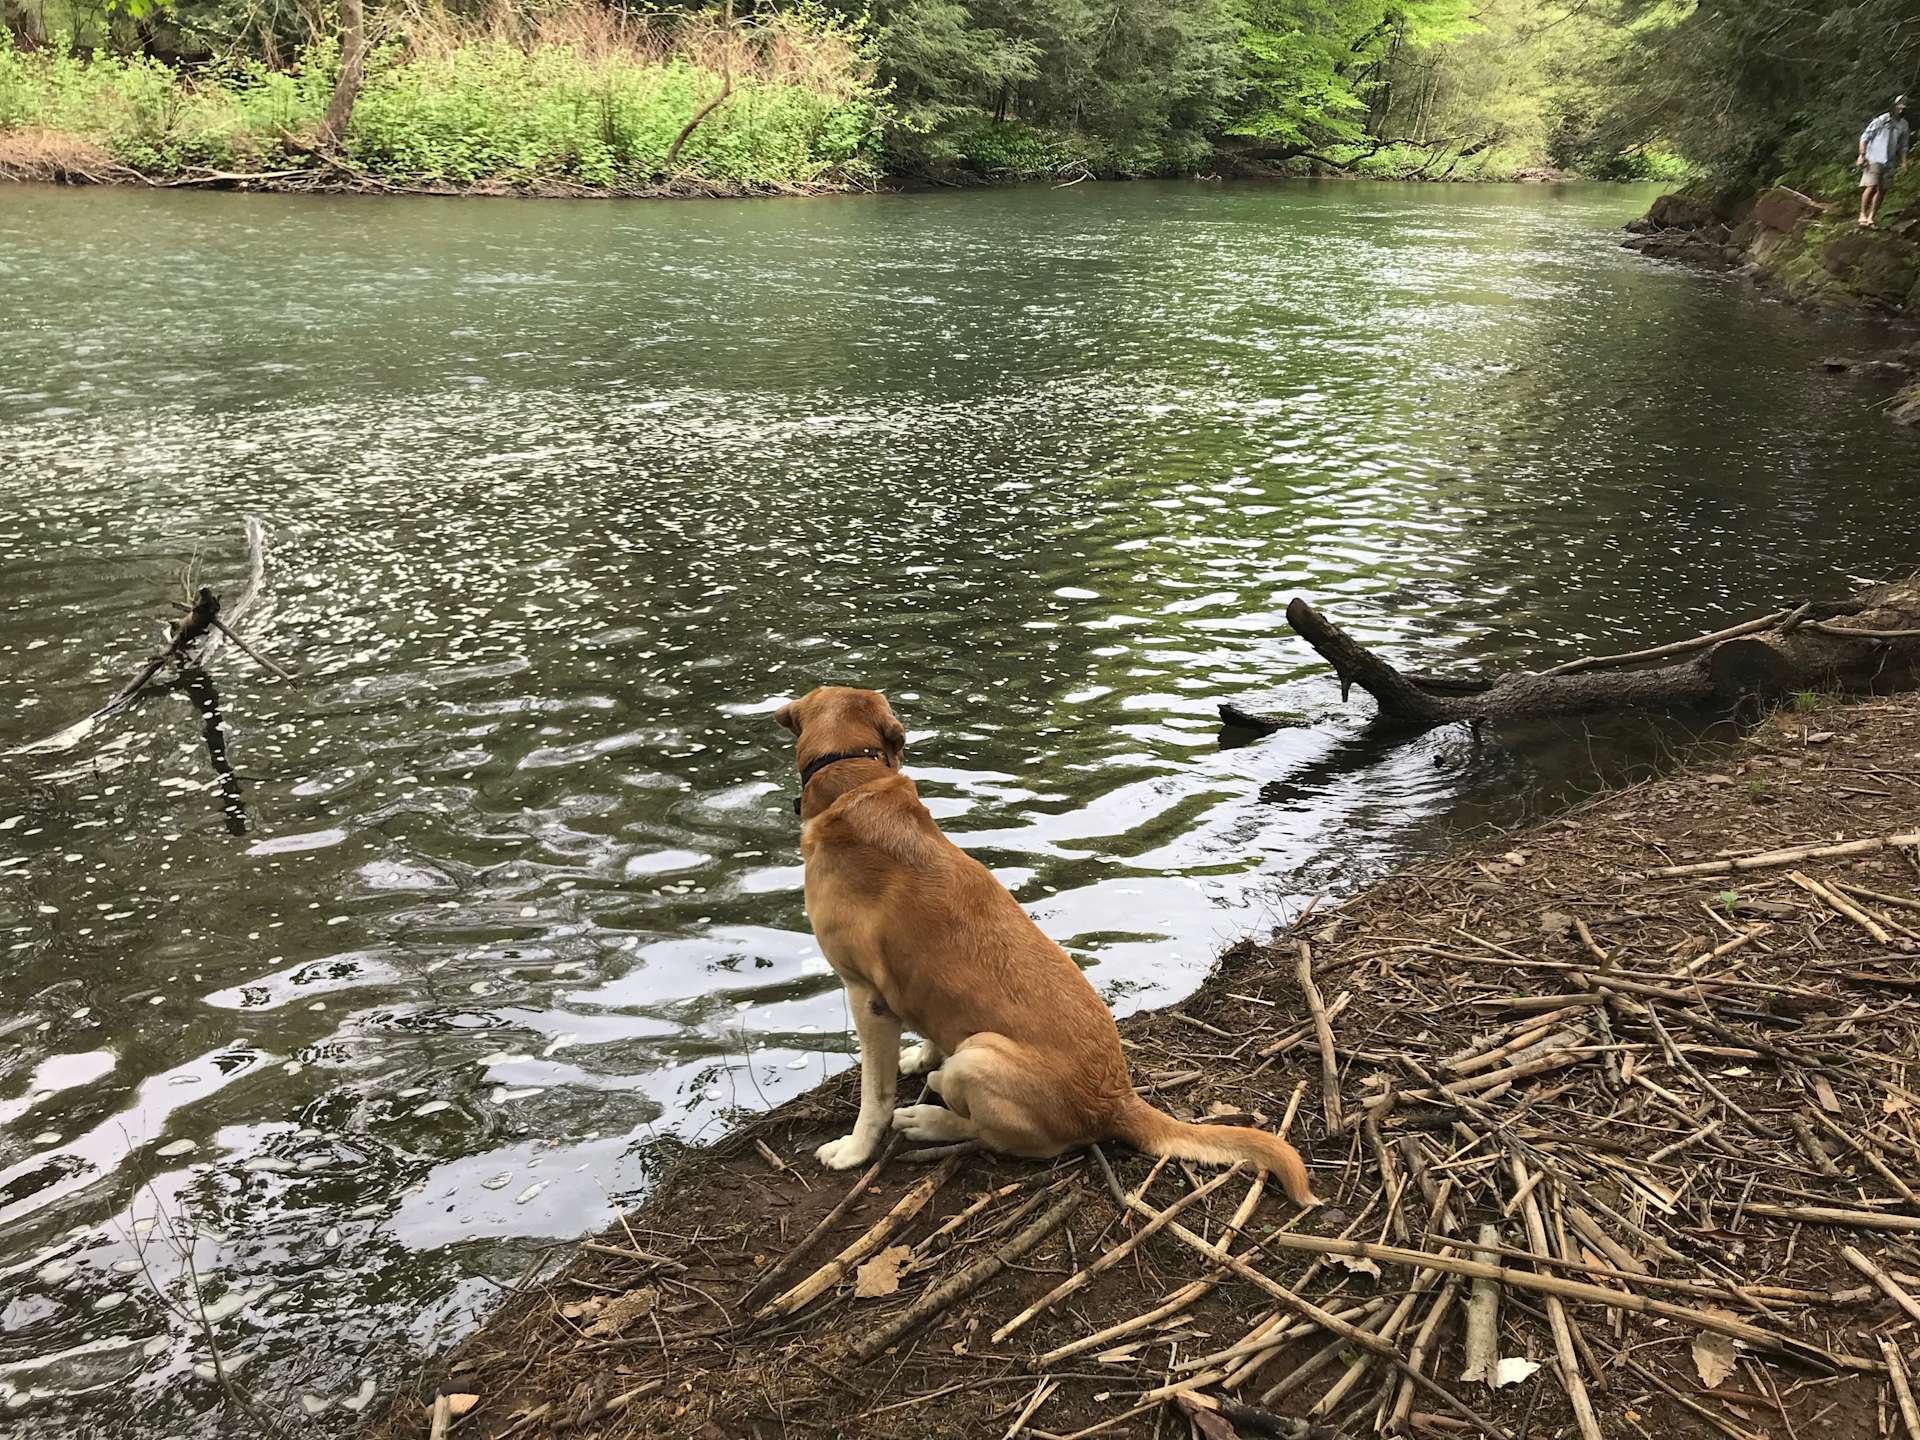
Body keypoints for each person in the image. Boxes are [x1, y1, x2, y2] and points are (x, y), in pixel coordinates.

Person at [1857, 94, 1910, 227]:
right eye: (1899, 105)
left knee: (1883, 190)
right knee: (1871, 186)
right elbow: (1865, 137)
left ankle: (1871, 217)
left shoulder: (1903, 125)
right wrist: (1862, 155)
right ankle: (1862, 214)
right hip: (1874, 158)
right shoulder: (1881, 120)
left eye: (1904, 106)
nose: (1901, 108)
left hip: (1890, 161)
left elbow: (1904, 145)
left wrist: (1904, 162)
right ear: (1894, 106)